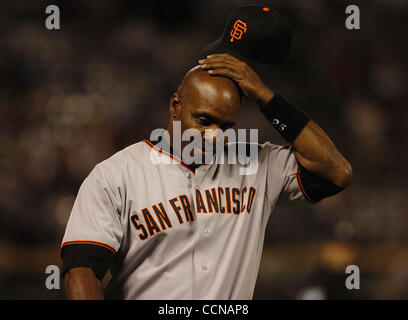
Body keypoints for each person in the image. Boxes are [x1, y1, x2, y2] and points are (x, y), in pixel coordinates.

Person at [61, 6, 352, 300]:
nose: (213, 135)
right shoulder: (115, 175)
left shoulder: (258, 165)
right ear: (175, 106)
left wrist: (266, 97)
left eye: (226, 126)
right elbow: (81, 271)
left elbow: (336, 171)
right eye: (203, 120)